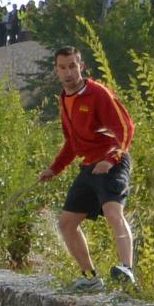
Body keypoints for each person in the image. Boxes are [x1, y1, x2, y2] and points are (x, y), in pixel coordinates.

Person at [38, 47, 136, 291]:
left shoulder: (98, 93)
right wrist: (55, 168)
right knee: (66, 223)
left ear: (81, 66)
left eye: (72, 66)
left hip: (112, 162)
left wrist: (111, 159)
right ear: (56, 70)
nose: (68, 72)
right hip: (89, 166)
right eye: (63, 67)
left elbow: (125, 129)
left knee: (113, 212)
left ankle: (127, 269)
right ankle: (91, 278)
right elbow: (72, 143)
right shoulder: (64, 99)